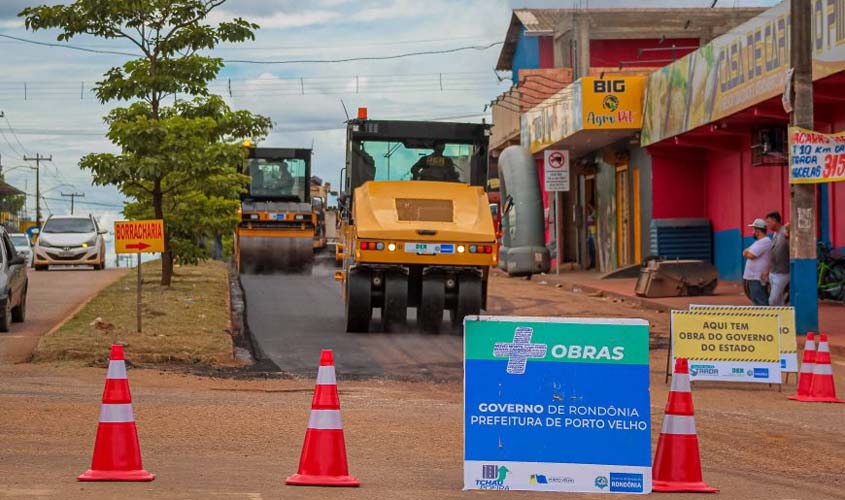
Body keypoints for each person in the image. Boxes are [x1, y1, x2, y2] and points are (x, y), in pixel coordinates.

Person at [743, 218, 773, 306]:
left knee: (760, 302)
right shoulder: (759, 242)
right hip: (754, 278)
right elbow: (745, 251)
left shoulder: (764, 242)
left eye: (753, 230)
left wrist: (746, 252)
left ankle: (767, 316)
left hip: (757, 278)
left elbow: (750, 255)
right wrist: (746, 252)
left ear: (757, 231)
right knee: (756, 301)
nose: (752, 232)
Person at [765, 211, 789, 306]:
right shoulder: (775, 234)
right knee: (778, 300)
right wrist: (768, 270)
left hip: (783, 272)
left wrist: (788, 229)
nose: (767, 225)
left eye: (768, 222)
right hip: (774, 272)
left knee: (773, 300)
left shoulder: (785, 231)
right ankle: (781, 315)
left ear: (775, 221)